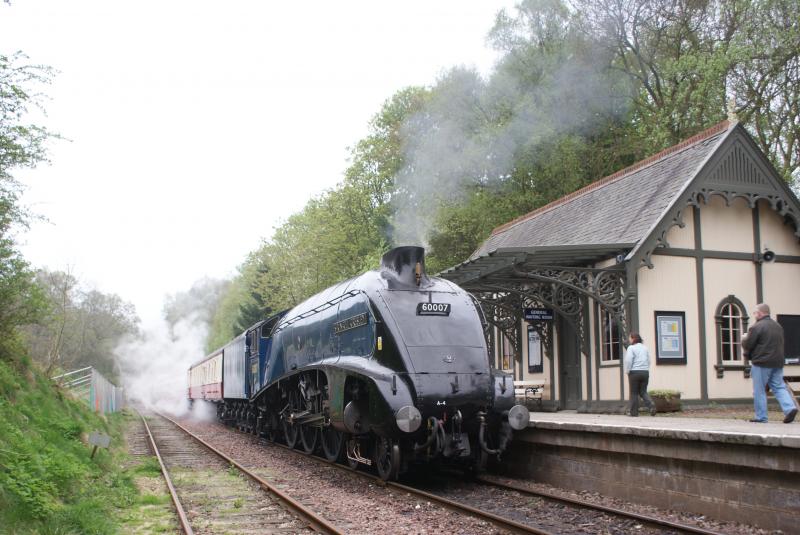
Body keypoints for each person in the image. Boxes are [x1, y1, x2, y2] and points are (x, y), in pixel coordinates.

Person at [742, 303, 798, 423]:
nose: (754, 315)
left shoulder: (756, 327)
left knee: (759, 390)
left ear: (760, 313)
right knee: (779, 387)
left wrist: (744, 341)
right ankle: (790, 408)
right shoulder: (778, 326)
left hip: (761, 362)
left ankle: (761, 417)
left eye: (755, 312)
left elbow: (749, 344)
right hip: (777, 362)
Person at [624, 333, 656, 417]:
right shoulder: (645, 348)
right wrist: (645, 368)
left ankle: (633, 413)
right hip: (645, 372)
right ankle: (651, 405)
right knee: (643, 391)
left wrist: (627, 370)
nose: (629, 340)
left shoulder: (631, 348)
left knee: (634, 393)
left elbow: (628, 360)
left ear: (633, 338)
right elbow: (649, 360)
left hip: (634, 372)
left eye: (630, 338)